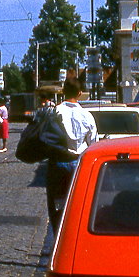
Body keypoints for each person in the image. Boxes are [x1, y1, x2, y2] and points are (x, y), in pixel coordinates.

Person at [47, 78, 98, 229]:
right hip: (79, 164)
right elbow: (93, 144)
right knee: (78, 203)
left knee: (57, 205)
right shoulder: (87, 115)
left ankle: (58, 236)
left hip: (58, 162)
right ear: (80, 93)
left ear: (63, 92)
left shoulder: (55, 111)